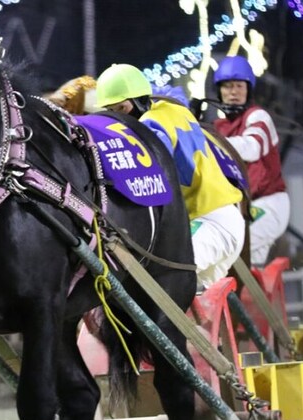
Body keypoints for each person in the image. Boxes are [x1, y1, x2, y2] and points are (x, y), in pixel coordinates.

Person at [95, 63, 246, 287]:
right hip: (223, 221)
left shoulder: (150, 125)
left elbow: (150, 175)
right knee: (190, 300)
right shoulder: (175, 109)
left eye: (121, 109)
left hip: (208, 224)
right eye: (111, 111)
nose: (118, 118)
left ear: (139, 101)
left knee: (158, 281)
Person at [212, 55, 290, 266]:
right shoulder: (217, 126)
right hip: (240, 208)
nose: (233, 92)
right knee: (246, 263)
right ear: (219, 91)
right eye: (227, 86)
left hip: (267, 203)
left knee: (233, 247)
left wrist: (208, 143)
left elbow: (252, 147)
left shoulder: (258, 116)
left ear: (249, 89)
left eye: (239, 86)